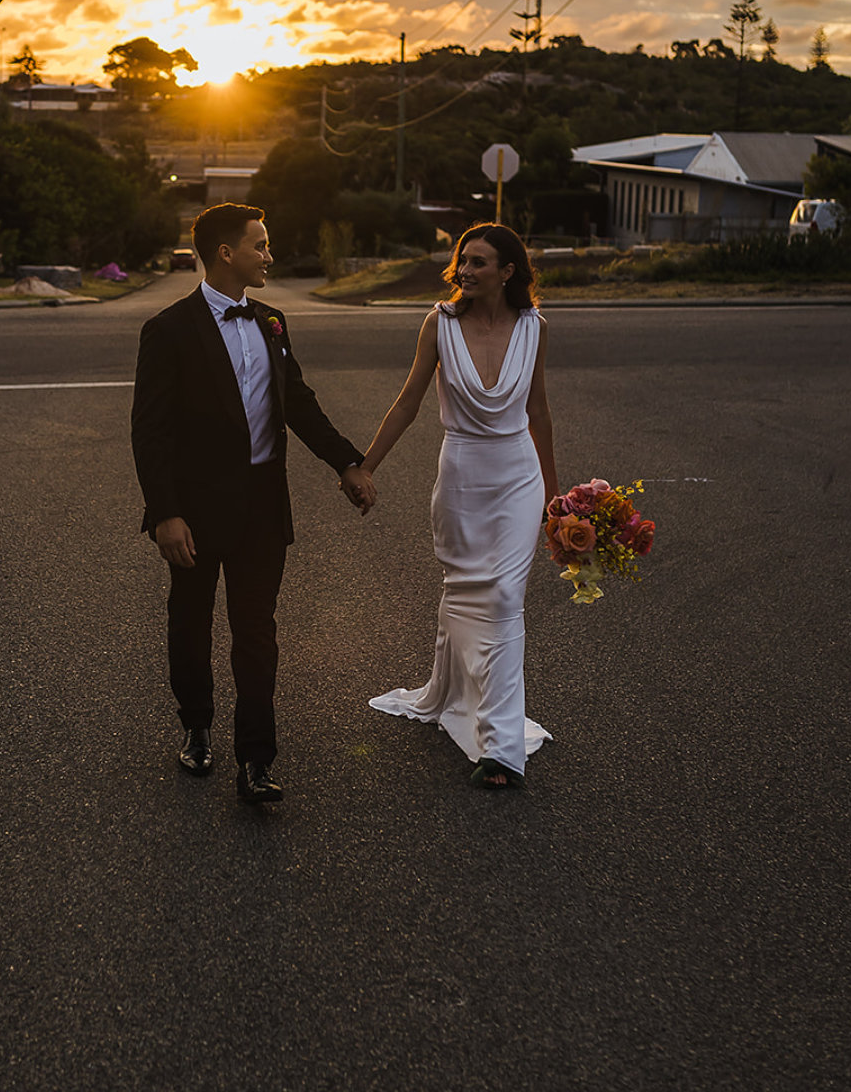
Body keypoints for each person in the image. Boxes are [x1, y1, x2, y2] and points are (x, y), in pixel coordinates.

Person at [131, 203, 376, 804]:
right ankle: (195, 725)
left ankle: (256, 761)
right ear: (225, 254)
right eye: (260, 246)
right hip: (193, 511)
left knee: (256, 634)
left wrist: (347, 462)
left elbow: (299, 403)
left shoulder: (272, 322)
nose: (269, 255)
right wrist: (165, 513)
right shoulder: (168, 329)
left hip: (263, 508)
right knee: (190, 624)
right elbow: (150, 431)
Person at [361, 224, 558, 790]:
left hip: (518, 474)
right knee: (466, 589)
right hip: (463, 475)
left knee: (502, 595)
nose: (465, 270)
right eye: (462, 261)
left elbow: (540, 412)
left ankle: (499, 749)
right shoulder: (439, 324)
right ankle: (450, 692)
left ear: (507, 271)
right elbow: (407, 402)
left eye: (478, 262)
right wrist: (366, 465)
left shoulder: (534, 327)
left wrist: (553, 493)